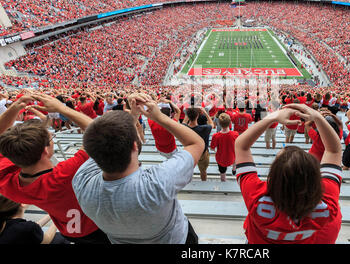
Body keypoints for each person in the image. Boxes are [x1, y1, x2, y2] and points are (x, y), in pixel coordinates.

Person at [72, 94, 205, 244]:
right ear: (135, 146)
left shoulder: (81, 180)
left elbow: (100, 143)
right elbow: (196, 144)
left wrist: (133, 115)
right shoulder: (158, 181)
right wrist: (159, 117)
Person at [0, 92, 110, 244]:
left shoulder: (8, 184)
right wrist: (62, 108)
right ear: (46, 150)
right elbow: (101, 132)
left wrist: (15, 107)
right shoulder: (67, 172)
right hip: (97, 228)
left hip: (69, 231)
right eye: (50, 137)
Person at [235, 103, 343, 244]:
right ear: (315, 178)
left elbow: (240, 145)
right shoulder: (327, 207)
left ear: (274, 176)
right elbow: (334, 150)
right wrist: (318, 117)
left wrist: (273, 117)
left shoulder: (257, 199)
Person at [0, 194, 69, 244]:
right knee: (62, 237)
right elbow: (46, 240)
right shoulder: (26, 228)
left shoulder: (5, 222)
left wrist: (51, 214)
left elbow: (33, 229)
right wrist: (58, 217)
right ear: (22, 204)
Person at [183, 107, 213, 181]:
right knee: (203, 171)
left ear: (188, 116)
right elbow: (212, 124)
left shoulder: (184, 128)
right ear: (197, 116)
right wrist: (205, 112)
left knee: (188, 170)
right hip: (202, 153)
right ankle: (203, 184)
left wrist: (188, 114)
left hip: (189, 152)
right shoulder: (204, 128)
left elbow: (183, 122)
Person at [210, 113, 239, 181]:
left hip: (221, 159)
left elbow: (212, 148)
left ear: (219, 124)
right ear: (230, 123)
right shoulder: (235, 134)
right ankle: (234, 169)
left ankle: (224, 184)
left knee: (222, 174)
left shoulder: (215, 136)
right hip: (232, 157)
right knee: (235, 155)